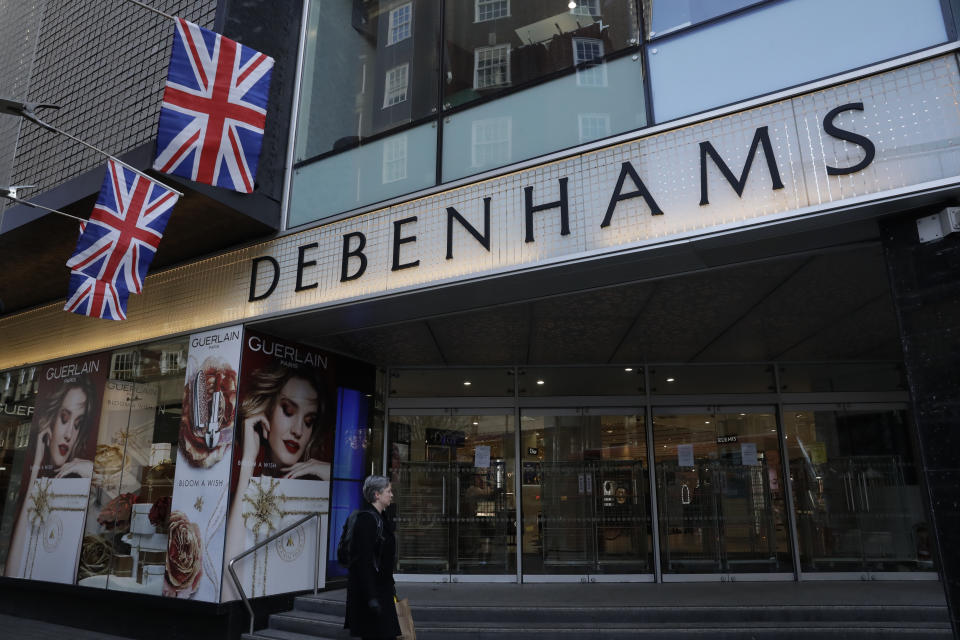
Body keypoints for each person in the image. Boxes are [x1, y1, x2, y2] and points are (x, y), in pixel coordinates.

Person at [222, 364, 331, 597]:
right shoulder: (239, 493)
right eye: (288, 411)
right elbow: (229, 588)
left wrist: (332, 474)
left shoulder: (315, 492)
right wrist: (248, 460)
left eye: (309, 421)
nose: (298, 430)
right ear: (267, 410)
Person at [4, 377, 96, 577]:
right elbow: (12, 573)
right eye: (64, 418)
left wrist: (92, 470)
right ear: (51, 420)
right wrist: (36, 466)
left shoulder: (79, 481)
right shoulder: (43, 483)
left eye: (78, 424)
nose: (69, 434)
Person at [344, 475, 401, 640]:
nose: (391, 495)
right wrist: (371, 597)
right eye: (388, 491)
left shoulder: (380, 517)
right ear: (377, 495)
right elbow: (363, 560)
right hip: (371, 595)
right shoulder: (367, 520)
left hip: (381, 590)